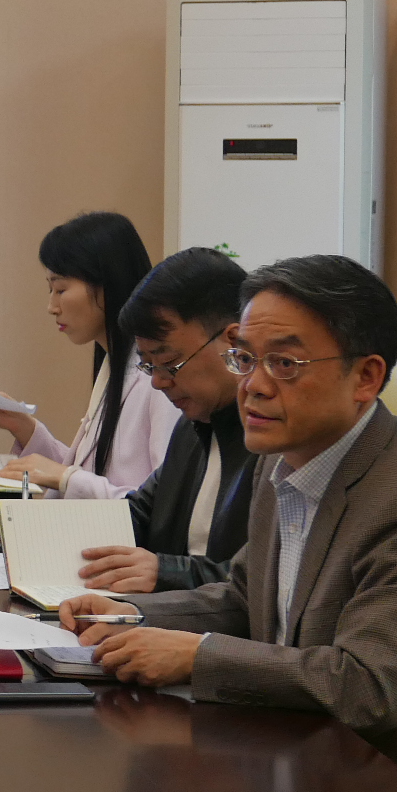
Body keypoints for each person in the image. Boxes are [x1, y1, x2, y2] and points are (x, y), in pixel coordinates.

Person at [58, 255, 397, 792]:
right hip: (302, 774)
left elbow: (368, 688)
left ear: (366, 377)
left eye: (283, 363)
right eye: (245, 358)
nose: (252, 386)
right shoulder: (282, 461)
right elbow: (244, 597)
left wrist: (197, 656)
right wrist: (130, 615)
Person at [74, 247, 254, 593]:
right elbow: (138, 514)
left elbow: (269, 581)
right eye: (148, 365)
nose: (157, 382)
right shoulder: (192, 427)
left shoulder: (276, 439)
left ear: (233, 342)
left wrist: (167, 572)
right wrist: (34, 534)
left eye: (170, 363)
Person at [0, 211, 179, 497]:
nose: (52, 307)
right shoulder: (114, 363)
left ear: (106, 285)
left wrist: (67, 477)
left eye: (60, 289)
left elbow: (162, 504)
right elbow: (86, 472)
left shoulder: (159, 379)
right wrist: (24, 427)